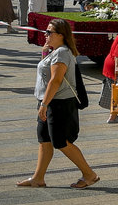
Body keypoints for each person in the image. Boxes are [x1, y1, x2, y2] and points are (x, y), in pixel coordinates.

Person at [18, 18, 99, 189]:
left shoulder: (62, 53)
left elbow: (55, 81)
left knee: (61, 142)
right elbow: (47, 74)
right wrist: (44, 54)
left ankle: (89, 174)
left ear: (61, 35)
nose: (45, 35)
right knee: (45, 140)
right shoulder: (55, 52)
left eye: (49, 32)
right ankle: (38, 178)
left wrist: (44, 104)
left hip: (58, 103)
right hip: (48, 102)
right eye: (46, 31)